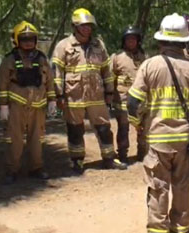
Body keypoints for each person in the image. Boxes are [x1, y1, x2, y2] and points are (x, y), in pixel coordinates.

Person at [127, 13, 189, 233]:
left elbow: (132, 102)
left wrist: (137, 123)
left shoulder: (149, 65)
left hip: (158, 139)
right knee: (182, 188)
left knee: (158, 189)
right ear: (185, 41)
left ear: (160, 40)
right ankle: (180, 228)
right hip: (185, 142)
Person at [51, 8, 126, 174]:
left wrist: (109, 92)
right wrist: (59, 95)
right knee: (75, 128)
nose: (87, 29)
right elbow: (56, 73)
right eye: (83, 26)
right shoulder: (63, 46)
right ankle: (77, 161)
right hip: (73, 95)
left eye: (89, 26)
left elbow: (106, 70)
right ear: (75, 26)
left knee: (104, 128)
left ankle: (109, 158)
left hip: (96, 94)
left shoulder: (99, 44)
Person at [0, 21, 56, 184]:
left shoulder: (42, 59)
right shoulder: (10, 59)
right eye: (24, 39)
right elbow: (2, 82)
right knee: (14, 139)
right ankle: (12, 170)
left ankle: (36, 168)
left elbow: (49, 80)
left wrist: (52, 100)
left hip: (38, 108)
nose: (28, 42)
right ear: (17, 40)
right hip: (16, 107)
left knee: (38, 139)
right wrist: (3, 105)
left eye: (31, 39)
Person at [111, 26, 147, 163]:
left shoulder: (145, 57)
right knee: (123, 129)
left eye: (134, 39)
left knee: (143, 128)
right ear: (124, 41)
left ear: (138, 41)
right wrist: (109, 95)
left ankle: (143, 153)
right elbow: (110, 78)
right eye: (128, 39)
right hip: (123, 100)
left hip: (142, 101)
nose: (131, 41)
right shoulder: (117, 58)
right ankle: (122, 155)